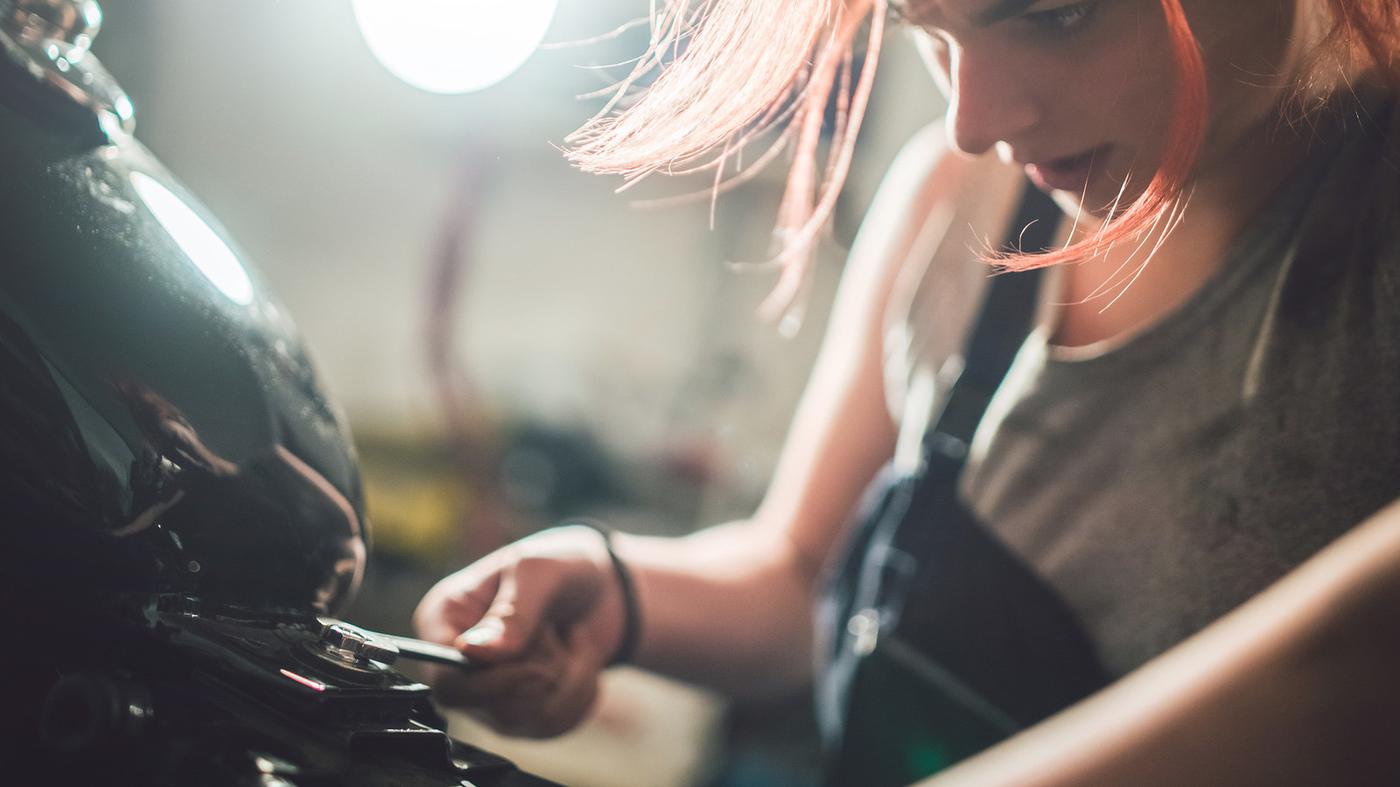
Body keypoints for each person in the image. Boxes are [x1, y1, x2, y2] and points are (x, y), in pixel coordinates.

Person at [415, 0, 1400, 783]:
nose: (976, 120)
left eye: (1052, 13)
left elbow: (1350, 675)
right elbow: (803, 576)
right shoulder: (959, 201)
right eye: (923, 28)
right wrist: (617, 593)